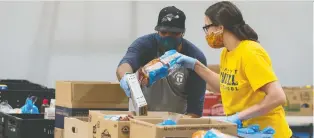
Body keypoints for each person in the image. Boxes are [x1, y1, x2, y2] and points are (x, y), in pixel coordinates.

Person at [177, 1, 292, 138]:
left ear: (220, 27)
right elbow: (225, 86)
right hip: (245, 132)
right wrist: (196, 66)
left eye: (207, 27)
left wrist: (239, 116)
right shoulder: (227, 53)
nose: (206, 33)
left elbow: (277, 97)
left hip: (268, 133)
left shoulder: (250, 52)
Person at [116, 6, 207, 118]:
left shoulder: (194, 57)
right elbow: (126, 64)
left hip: (175, 124)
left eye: (174, 33)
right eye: (163, 33)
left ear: (182, 33)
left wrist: (180, 126)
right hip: (140, 118)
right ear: (157, 31)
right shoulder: (144, 46)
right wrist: (126, 77)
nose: (168, 37)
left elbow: (195, 109)